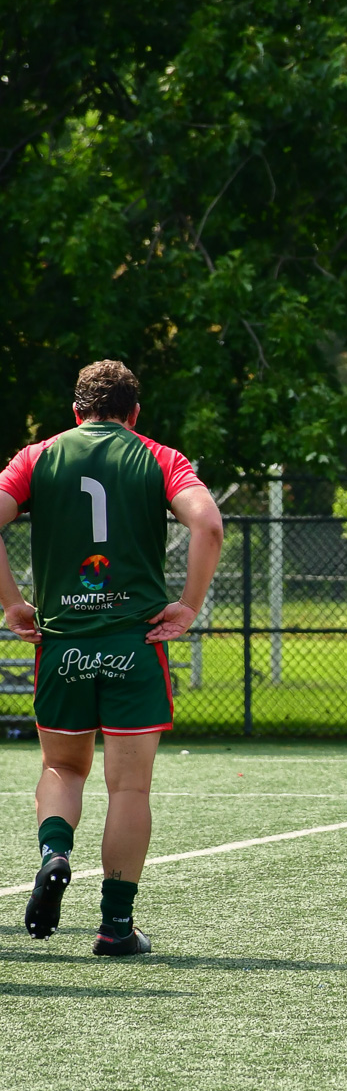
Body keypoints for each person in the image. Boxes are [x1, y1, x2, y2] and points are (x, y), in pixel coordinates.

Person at [0, 360, 223, 955]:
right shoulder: (160, 457)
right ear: (134, 413)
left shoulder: (36, 456)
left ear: (76, 412)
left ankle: (55, 853)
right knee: (129, 789)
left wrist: (15, 602)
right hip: (135, 642)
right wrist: (189, 606)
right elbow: (209, 526)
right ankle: (116, 928)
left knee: (63, 769)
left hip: (63, 642)